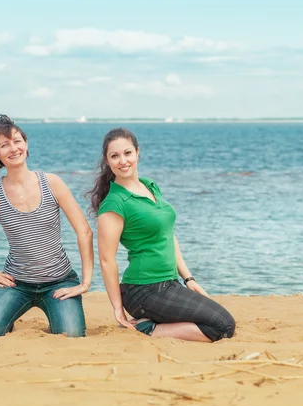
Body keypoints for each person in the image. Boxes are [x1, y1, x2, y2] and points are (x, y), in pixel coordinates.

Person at [0, 114, 93, 338]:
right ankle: (8, 316)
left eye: (17, 141)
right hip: (15, 284)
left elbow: (84, 230)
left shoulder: (52, 183)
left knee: (72, 336)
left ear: (25, 144)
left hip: (60, 282)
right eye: (4, 145)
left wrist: (85, 282)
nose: (13, 148)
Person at [89, 127, 235, 342]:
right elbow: (106, 260)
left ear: (138, 153)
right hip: (143, 290)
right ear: (107, 160)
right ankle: (149, 330)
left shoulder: (149, 185)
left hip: (170, 283)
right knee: (223, 326)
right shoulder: (114, 203)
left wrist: (189, 278)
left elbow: (167, 234)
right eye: (115, 156)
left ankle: (153, 324)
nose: (123, 161)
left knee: (219, 322)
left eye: (127, 153)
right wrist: (118, 308)